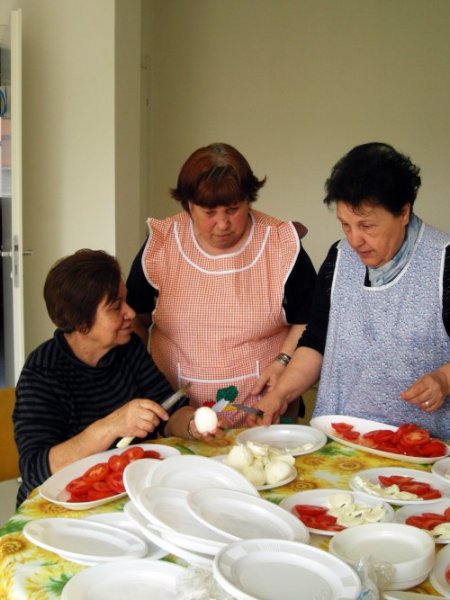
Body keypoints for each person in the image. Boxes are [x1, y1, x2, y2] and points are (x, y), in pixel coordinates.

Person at [252, 142, 450, 440]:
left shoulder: (443, 261)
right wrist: (280, 394)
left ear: (403, 212)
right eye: (346, 225)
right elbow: (316, 341)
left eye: (367, 226)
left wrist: (444, 379)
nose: (355, 240)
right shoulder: (339, 257)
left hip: (419, 447)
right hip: (341, 440)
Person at [126, 142, 317, 426]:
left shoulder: (280, 244)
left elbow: (309, 320)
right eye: (209, 212)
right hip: (177, 414)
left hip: (263, 408)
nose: (223, 223)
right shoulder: (162, 246)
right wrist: (137, 381)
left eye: (233, 209)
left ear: (249, 200)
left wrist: (284, 362)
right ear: (189, 206)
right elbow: (134, 319)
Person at [13, 249, 222, 506]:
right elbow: (35, 469)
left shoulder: (128, 348)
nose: (131, 313)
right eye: (115, 307)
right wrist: (112, 425)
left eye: (126, 300)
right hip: (60, 504)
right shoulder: (43, 371)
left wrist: (191, 424)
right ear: (80, 322)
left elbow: (169, 410)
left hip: (125, 492)